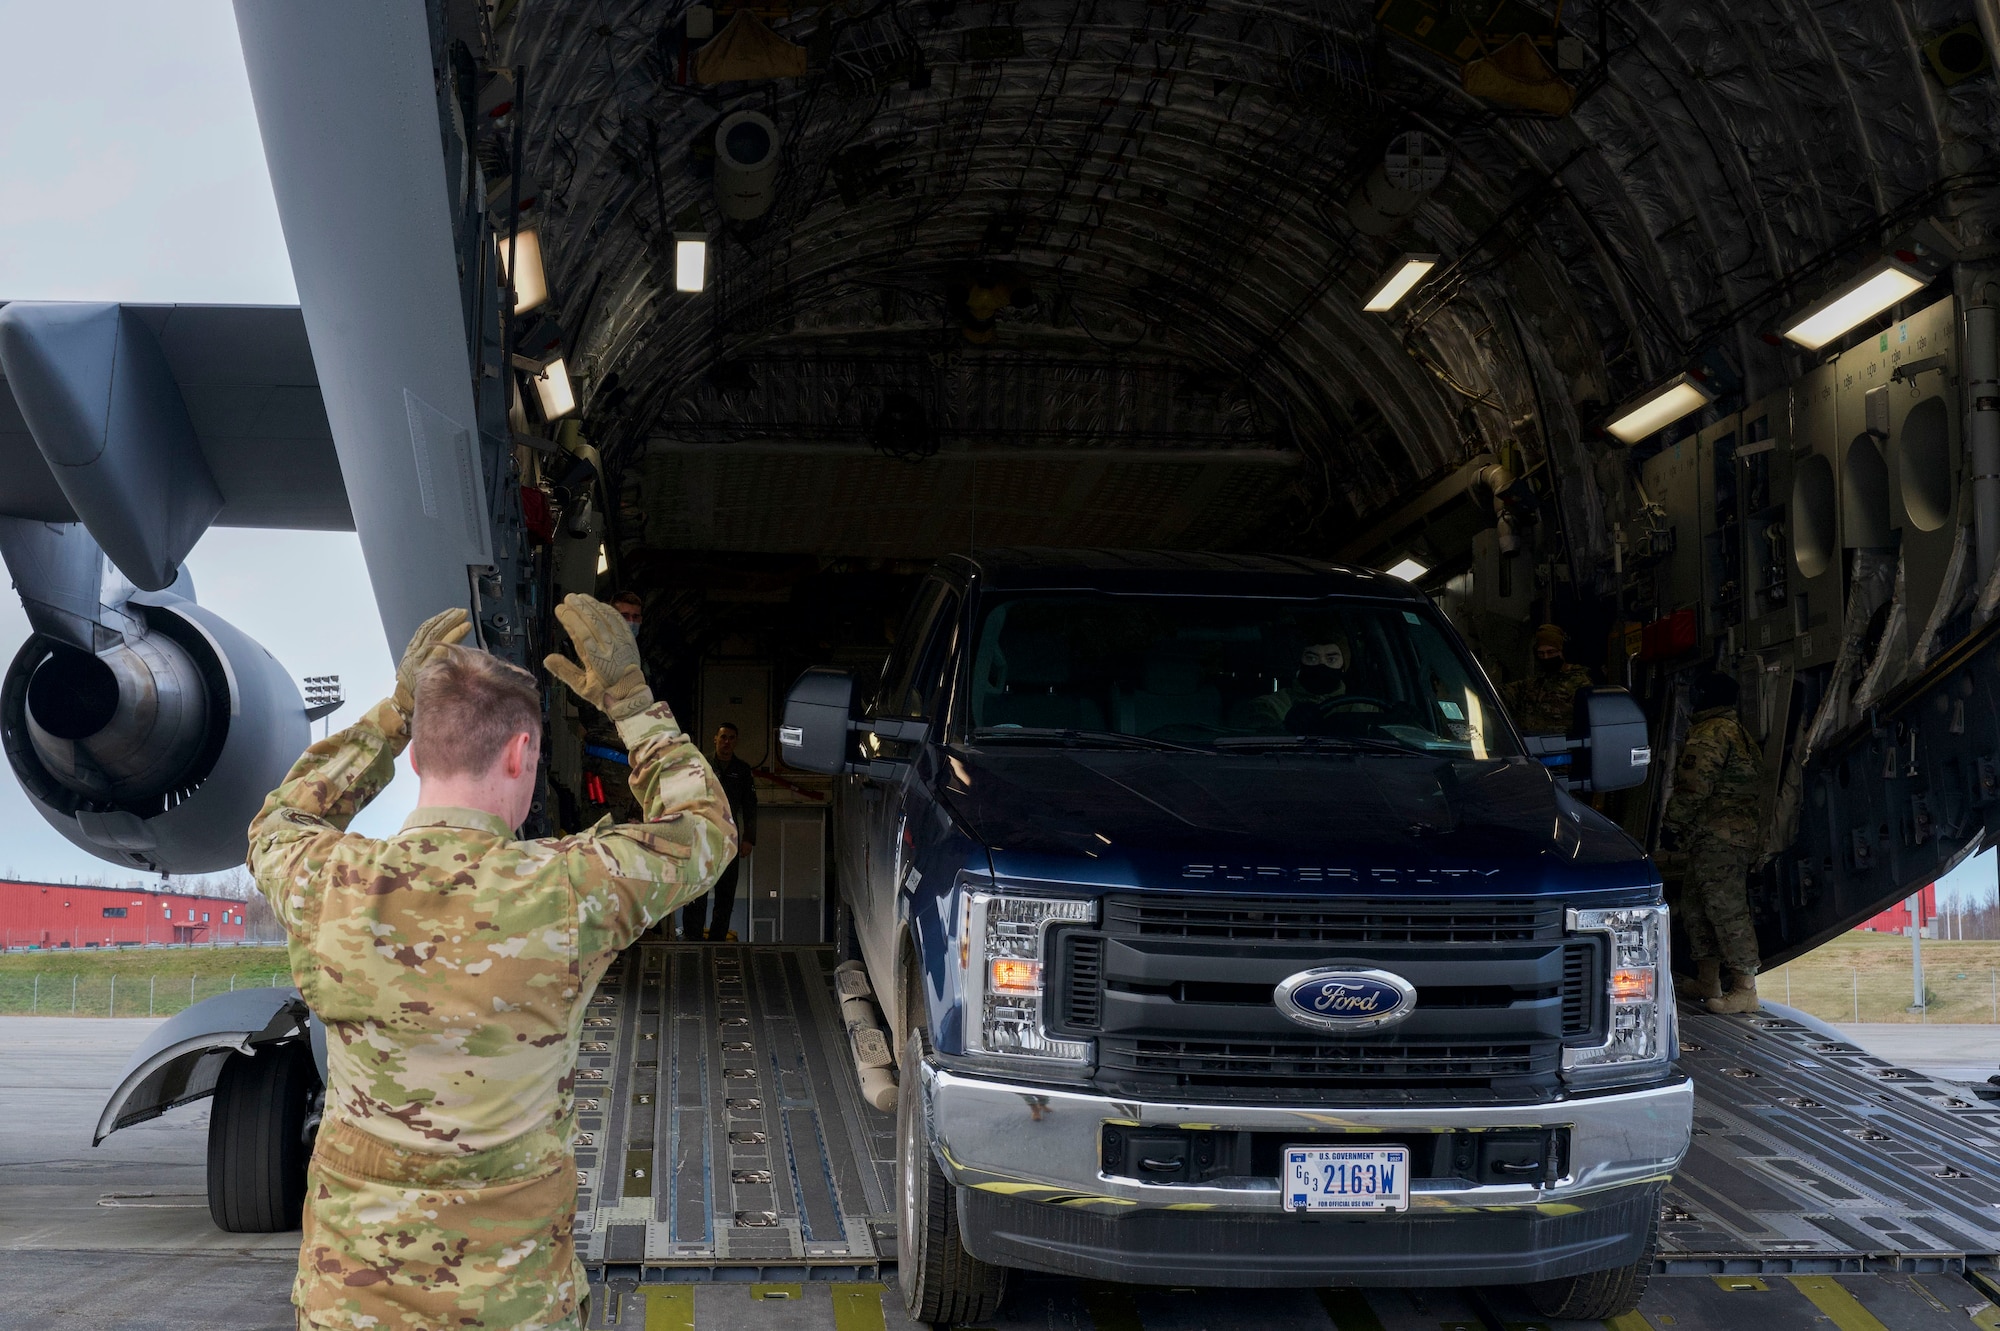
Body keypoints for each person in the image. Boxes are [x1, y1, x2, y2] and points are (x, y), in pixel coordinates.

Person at [247, 595, 735, 1331]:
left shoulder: (328, 884)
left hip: (349, 1304)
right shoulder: (565, 891)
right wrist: (632, 704)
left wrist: (392, 713)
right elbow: (703, 829)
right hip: (515, 1306)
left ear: (416, 755)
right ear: (520, 754)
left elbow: (277, 822)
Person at [1660, 670, 1763, 1014]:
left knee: (1725, 908)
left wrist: (1673, 824)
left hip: (1718, 837)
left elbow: (1694, 787)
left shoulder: (1711, 733)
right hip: (1724, 836)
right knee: (1696, 905)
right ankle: (1708, 980)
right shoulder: (1738, 732)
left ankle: (1745, 988)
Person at [681, 722, 758, 941]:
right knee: (696, 893)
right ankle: (692, 940)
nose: (727, 742)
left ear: (736, 741)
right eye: (723, 737)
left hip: (728, 842)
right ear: (715, 739)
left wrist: (749, 839)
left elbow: (750, 806)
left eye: (731, 738)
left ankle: (716, 941)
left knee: (725, 896)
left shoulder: (742, 771)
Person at [577, 590, 648, 824]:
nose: (630, 622)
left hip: (634, 763)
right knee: (603, 835)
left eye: (635, 617)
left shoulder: (638, 660)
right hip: (604, 763)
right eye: (623, 615)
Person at [1246, 635, 1378, 733]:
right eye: (1312, 658)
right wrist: (1285, 727)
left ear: (1344, 665)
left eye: (1331, 659)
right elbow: (1256, 738)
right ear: (1300, 663)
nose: (1322, 665)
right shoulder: (1272, 705)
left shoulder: (1364, 708)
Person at [1501, 624, 1595, 734]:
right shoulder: (1533, 684)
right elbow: (1502, 693)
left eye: (1551, 652)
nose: (1546, 657)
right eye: (1541, 653)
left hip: (1562, 746)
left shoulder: (1579, 683)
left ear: (1562, 651)